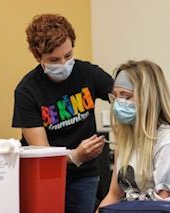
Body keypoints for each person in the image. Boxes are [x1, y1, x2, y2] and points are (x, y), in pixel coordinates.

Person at [12, 14, 114, 213]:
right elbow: (42, 151)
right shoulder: (27, 91)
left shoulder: (87, 73)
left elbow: (118, 94)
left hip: (84, 174)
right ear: (37, 56)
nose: (63, 64)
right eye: (53, 59)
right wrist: (75, 155)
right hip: (45, 174)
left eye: (68, 56)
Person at [96, 60, 170, 211]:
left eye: (126, 96)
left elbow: (161, 206)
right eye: (116, 97)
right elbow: (113, 195)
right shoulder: (126, 142)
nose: (119, 103)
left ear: (147, 98)